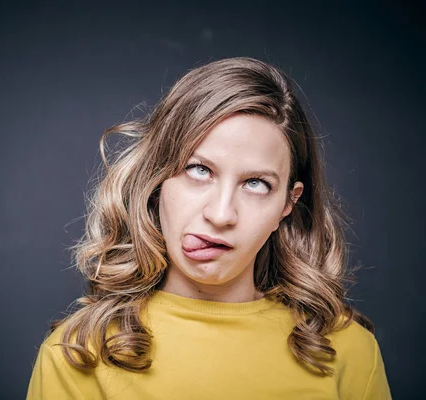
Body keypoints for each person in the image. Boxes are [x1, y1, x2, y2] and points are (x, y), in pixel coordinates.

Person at [26, 57, 392, 399]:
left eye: (256, 183)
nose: (220, 215)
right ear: (157, 180)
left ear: (287, 203)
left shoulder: (348, 350)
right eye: (199, 170)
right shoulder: (78, 354)